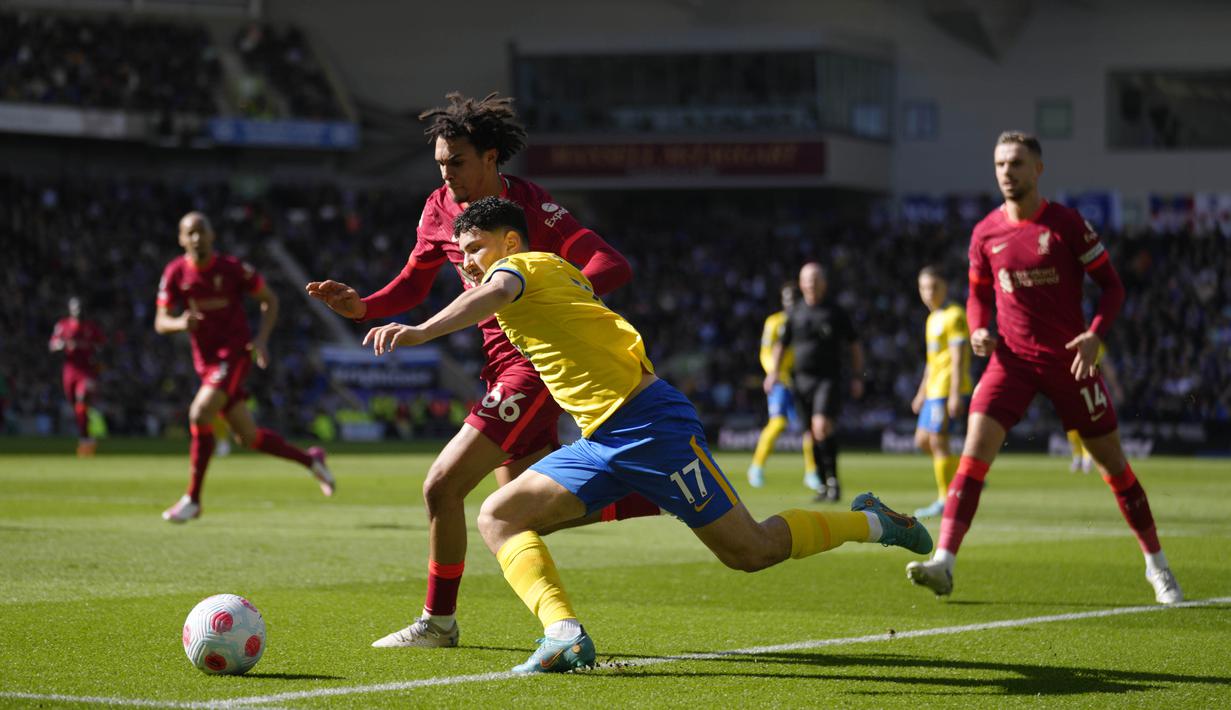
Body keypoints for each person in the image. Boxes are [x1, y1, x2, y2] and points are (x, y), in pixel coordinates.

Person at [363, 196, 932, 673]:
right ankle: (563, 633)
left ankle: (875, 521)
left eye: (477, 247)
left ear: (511, 242)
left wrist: (420, 332)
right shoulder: (541, 277)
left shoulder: (525, 268)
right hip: (599, 439)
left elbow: (489, 294)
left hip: (652, 427)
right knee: (499, 515)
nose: (467, 261)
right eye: (460, 252)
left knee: (751, 551)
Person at [305, 93, 658, 649]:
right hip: (496, 366)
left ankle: (438, 622)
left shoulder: (532, 207)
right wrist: (365, 306)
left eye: (459, 163)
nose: (447, 175)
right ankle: (648, 493)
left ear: (492, 158)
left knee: (442, 487)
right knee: (520, 513)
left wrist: (554, 297)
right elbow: (415, 283)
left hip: (533, 365)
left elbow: (611, 264)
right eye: (441, 163)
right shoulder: (437, 208)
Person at [905, 131, 1182, 604]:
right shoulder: (985, 233)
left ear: (1038, 169)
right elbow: (977, 293)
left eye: (1015, 163)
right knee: (971, 456)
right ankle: (944, 563)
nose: (1006, 173)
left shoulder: (1067, 225)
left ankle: (1157, 567)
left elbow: (1112, 287)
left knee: (1113, 465)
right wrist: (977, 328)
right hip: (1010, 361)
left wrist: (1096, 333)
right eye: (999, 164)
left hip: (1068, 360)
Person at [156, 212, 335, 523]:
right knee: (248, 438)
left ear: (212, 235)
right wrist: (179, 323)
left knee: (199, 414)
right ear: (181, 239)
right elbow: (160, 321)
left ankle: (193, 499)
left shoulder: (232, 269)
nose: (197, 238)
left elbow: (270, 300)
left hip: (234, 355)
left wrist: (262, 340)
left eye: (202, 231)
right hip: (206, 362)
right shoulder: (175, 273)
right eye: (190, 233)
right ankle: (311, 460)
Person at [763, 263, 865, 502]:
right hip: (801, 381)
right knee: (811, 434)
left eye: (816, 279)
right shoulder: (795, 312)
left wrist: (858, 376)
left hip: (827, 379)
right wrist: (773, 373)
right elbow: (781, 345)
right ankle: (822, 484)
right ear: (801, 284)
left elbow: (855, 345)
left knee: (821, 427)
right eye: (807, 280)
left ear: (824, 283)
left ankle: (833, 481)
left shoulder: (836, 312)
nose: (811, 284)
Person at [909, 266, 972, 518]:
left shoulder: (954, 315)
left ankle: (945, 499)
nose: (928, 293)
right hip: (933, 389)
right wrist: (921, 392)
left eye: (933, 287)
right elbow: (931, 360)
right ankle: (965, 475)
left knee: (937, 441)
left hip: (947, 388)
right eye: (924, 288)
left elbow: (957, 359)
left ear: (944, 287)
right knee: (921, 441)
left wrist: (955, 393)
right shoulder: (931, 318)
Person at [746, 283, 816, 489]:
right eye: (786, 301)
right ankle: (756, 467)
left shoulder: (806, 319)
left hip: (801, 380)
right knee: (778, 423)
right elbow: (765, 351)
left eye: (792, 301)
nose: (789, 305)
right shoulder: (774, 322)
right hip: (781, 380)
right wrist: (774, 373)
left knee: (809, 429)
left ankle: (812, 472)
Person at [49, 296, 106, 457]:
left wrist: (92, 351)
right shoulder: (63, 325)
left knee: (82, 400)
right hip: (69, 371)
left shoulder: (91, 328)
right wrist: (60, 346)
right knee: (76, 406)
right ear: (70, 309)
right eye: (75, 308)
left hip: (86, 371)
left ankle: (85, 440)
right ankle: (86, 436)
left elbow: (102, 345)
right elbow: (52, 344)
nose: (78, 311)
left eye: (80, 308)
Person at [1066, 347, 1121, 473]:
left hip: (1090, 387)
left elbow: (1107, 367)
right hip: (1070, 387)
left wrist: (1116, 387)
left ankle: (1087, 457)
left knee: (1088, 423)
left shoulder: (1094, 342)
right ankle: (1078, 456)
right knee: (1071, 424)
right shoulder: (1066, 340)